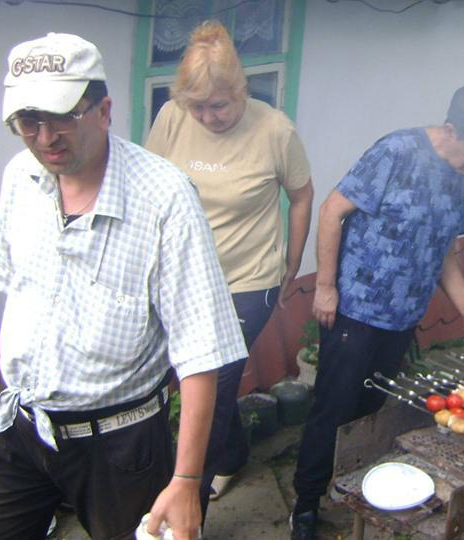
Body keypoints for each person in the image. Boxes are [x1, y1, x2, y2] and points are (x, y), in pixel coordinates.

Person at [0, 33, 247, 540]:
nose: (45, 138)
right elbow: (21, 294)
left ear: (104, 111)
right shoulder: (21, 177)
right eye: (28, 121)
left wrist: (186, 481)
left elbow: (201, 353)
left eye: (62, 117)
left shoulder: (164, 198)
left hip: (121, 445)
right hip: (22, 425)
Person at [289, 85, 464, 540]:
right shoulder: (396, 151)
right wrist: (325, 287)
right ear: (451, 130)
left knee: (369, 410)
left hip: (402, 318)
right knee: (333, 409)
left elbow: (445, 255)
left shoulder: (461, 178)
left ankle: (348, 487)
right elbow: (331, 211)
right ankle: (305, 504)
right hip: (355, 309)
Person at [145, 20, 314, 511]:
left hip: (247, 279)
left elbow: (301, 195)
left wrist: (292, 261)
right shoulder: (173, 118)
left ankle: (188, 504)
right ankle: (233, 454)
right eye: (198, 107)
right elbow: (149, 186)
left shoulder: (275, 130)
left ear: (240, 90)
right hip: (181, 275)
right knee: (203, 381)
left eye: (219, 105)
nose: (208, 117)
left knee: (212, 385)